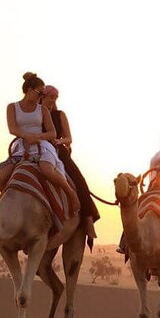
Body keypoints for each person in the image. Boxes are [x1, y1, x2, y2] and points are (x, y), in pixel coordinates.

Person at [0, 72, 80, 212]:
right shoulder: (12, 107)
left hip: (41, 146)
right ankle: (10, 203)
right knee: (1, 178)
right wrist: (25, 135)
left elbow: (52, 133)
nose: (41, 97)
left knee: (47, 169)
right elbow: (12, 128)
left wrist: (37, 137)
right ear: (29, 90)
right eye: (40, 93)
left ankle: (71, 194)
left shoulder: (43, 110)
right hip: (21, 146)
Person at [41, 85, 100, 243]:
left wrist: (59, 141)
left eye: (55, 97)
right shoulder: (35, 114)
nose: (53, 100)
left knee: (78, 180)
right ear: (42, 97)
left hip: (57, 152)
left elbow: (69, 138)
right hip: (35, 151)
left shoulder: (59, 115)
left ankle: (88, 217)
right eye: (50, 97)